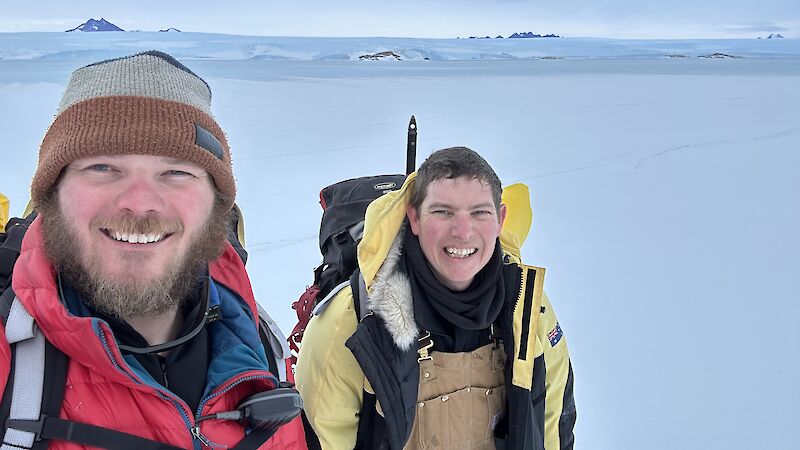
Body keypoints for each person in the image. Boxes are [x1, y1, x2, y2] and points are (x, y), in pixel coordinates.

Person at [0, 51, 306, 449]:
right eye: (102, 167)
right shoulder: (13, 364)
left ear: (216, 205)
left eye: (177, 172)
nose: (140, 202)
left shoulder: (260, 344)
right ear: (52, 195)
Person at [296, 146, 576, 449]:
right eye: (442, 211)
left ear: (500, 219)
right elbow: (321, 438)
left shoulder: (526, 308)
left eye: (479, 212)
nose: (463, 232)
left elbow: (553, 423)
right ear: (414, 218)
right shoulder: (351, 320)